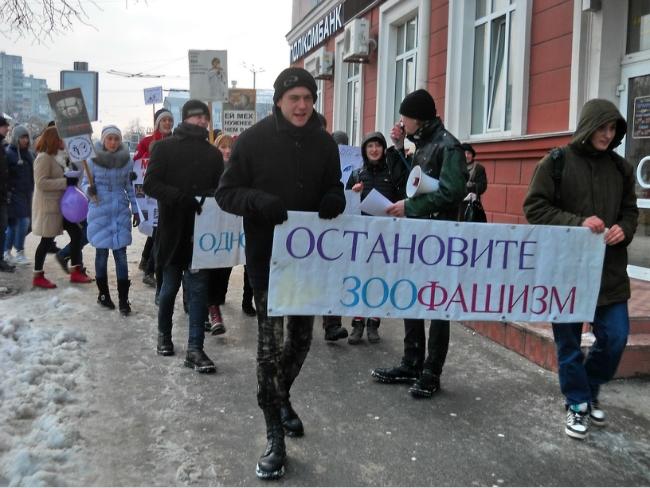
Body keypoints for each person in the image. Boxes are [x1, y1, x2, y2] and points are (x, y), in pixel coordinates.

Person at [216, 67, 345, 480]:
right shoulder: (253, 140)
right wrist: (257, 201)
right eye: (295, 99)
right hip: (267, 262)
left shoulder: (325, 143)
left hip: (309, 262)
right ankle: (274, 435)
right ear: (279, 101)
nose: (302, 105)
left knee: (302, 341)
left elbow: (335, 184)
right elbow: (226, 193)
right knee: (268, 351)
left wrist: (335, 197)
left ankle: (280, 395)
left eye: (308, 98)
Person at [523, 98, 638, 440]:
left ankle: (587, 388)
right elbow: (535, 207)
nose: (608, 134)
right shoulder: (556, 162)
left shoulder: (621, 168)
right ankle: (577, 402)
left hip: (609, 272)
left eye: (613, 128)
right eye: (602, 127)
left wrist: (624, 229)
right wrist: (577, 223)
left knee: (615, 337)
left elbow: (630, 212)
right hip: (566, 271)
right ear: (588, 126)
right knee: (569, 344)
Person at [372, 88, 468, 398]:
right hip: (419, 235)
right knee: (411, 295)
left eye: (405, 118)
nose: (401, 123)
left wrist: (410, 208)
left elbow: (452, 192)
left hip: (441, 237)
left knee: (438, 303)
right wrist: (399, 146)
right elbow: (411, 184)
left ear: (418, 118)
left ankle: (431, 372)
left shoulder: (448, 146)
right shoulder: (425, 144)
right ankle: (411, 362)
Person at [143, 99, 224, 373]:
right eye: (197, 116)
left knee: (198, 291)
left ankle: (195, 349)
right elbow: (151, 184)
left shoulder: (213, 155)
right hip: (172, 229)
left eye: (205, 117)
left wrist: (211, 196)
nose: (202, 121)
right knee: (169, 288)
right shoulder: (164, 148)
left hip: (201, 232)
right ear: (186, 117)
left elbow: (220, 188)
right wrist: (180, 197)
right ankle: (164, 335)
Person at [345, 131, 409, 344]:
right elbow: (346, 205)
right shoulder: (356, 174)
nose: (374, 150)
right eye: (370, 146)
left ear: (383, 149)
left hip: (385, 236)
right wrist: (353, 193)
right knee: (359, 278)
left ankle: (374, 323)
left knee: (379, 279)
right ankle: (357, 324)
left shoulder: (391, 173)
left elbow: (402, 197)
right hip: (361, 237)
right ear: (364, 150)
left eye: (378, 146)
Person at [82, 125, 140, 315]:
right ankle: (103, 294)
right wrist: (89, 191)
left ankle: (124, 299)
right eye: (110, 138)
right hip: (99, 210)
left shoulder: (126, 160)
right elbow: (85, 183)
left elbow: (130, 187)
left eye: (116, 139)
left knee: (121, 255)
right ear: (103, 140)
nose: (113, 142)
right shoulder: (92, 159)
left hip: (120, 210)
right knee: (101, 254)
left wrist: (136, 210)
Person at [31, 127, 92, 288]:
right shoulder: (43, 158)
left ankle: (76, 270)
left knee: (77, 234)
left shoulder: (60, 157)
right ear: (53, 140)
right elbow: (41, 182)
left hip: (63, 206)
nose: (64, 142)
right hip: (49, 207)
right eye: (61, 139)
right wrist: (65, 182)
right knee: (46, 241)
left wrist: (70, 180)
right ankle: (38, 275)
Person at [208, 133, 256, 326]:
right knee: (223, 262)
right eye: (223, 147)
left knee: (248, 262)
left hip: (241, 222)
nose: (227, 151)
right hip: (220, 225)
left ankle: (247, 301)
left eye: (230, 147)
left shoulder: (241, 169)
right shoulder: (211, 169)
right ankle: (217, 299)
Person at [135, 108, 174, 289]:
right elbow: (137, 165)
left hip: (168, 192)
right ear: (158, 123)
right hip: (150, 194)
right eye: (164, 120)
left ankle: (147, 263)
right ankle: (150, 269)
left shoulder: (176, 141)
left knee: (158, 231)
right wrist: (148, 155)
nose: (167, 123)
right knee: (158, 231)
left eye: (170, 120)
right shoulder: (147, 141)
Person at [4, 125, 34, 266]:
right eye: (22, 137)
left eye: (26, 137)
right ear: (16, 138)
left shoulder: (28, 154)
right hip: (14, 194)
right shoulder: (9, 154)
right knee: (22, 222)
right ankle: (18, 251)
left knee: (14, 224)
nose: (25, 140)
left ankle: (6, 251)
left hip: (27, 194)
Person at [458, 142, 487, 221]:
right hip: (455, 205)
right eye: (464, 153)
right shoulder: (455, 167)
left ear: (472, 155)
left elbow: (483, 186)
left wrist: (471, 186)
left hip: (471, 205)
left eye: (469, 153)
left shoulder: (479, 168)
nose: (466, 156)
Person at [0, 116, 14, 273]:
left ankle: (1, 260)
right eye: (5, 126)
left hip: (3, 196)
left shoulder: (2, 145)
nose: (7, 129)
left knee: (2, 228)